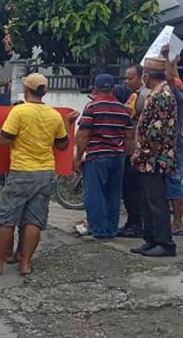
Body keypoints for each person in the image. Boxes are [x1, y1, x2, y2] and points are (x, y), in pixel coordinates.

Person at [0, 73, 77, 276]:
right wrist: (68, 123)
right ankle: (25, 263)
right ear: (44, 92)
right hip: (46, 172)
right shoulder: (54, 115)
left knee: (7, 218)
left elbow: (4, 140)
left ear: (26, 90)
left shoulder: (19, 112)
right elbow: (63, 145)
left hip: (22, 171)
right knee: (34, 219)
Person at [74, 74, 133, 239]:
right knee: (113, 194)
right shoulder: (123, 109)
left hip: (97, 156)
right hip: (118, 157)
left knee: (94, 194)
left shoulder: (92, 107)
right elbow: (129, 136)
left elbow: (83, 135)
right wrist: (125, 154)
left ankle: (100, 230)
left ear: (95, 88)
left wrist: (78, 158)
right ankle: (111, 229)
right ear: (113, 88)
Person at [130, 56, 178, 257]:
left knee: (156, 202)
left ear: (147, 75)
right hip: (148, 158)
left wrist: (140, 153)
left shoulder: (162, 95)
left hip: (154, 158)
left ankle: (164, 242)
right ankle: (150, 239)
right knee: (147, 200)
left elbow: (155, 134)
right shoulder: (155, 93)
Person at [117, 64, 151, 238]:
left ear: (141, 77)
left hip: (135, 149)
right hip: (131, 147)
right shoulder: (134, 95)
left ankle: (136, 224)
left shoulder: (143, 96)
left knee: (133, 189)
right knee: (130, 189)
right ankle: (132, 222)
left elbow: (127, 116)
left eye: (130, 78)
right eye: (126, 78)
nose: (127, 82)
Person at [163, 48, 183, 236]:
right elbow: (176, 82)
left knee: (175, 182)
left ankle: (177, 222)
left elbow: (171, 82)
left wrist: (165, 59)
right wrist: (174, 63)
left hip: (178, 144)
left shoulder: (178, 99)